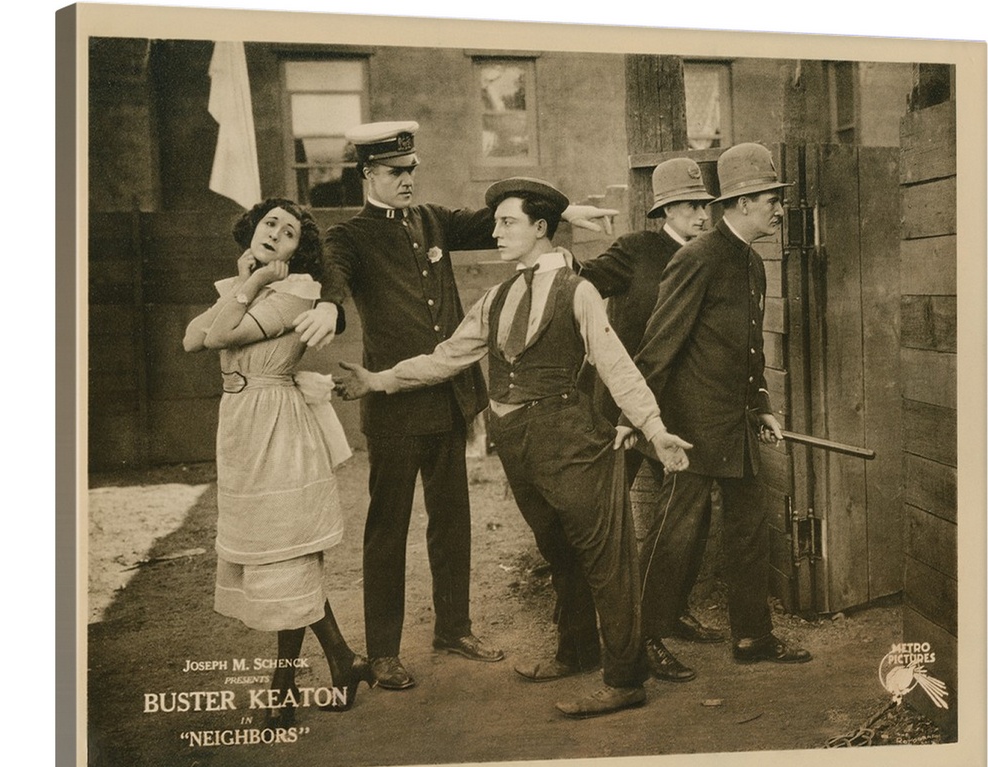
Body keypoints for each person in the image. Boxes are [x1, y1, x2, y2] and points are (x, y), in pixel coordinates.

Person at [333, 177, 694, 719]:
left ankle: (625, 678)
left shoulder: (578, 290)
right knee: (559, 551)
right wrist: (378, 381)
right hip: (520, 448)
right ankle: (576, 649)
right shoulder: (496, 297)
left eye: (508, 223)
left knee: (606, 559)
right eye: (496, 223)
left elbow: (616, 364)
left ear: (541, 228)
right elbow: (448, 356)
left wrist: (653, 426)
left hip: (572, 442)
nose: (495, 233)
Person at [293, 122, 624, 691]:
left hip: (449, 398)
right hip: (396, 408)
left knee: (452, 521)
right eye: (396, 173)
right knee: (388, 526)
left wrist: (568, 213)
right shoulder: (350, 235)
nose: (407, 181)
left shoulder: (431, 221)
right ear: (368, 174)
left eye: (411, 171)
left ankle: (454, 628)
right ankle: (384, 652)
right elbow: (335, 275)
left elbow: (493, 217)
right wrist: (329, 308)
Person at [182, 198, 374, 723]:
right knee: (277, 554)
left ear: (296, 252)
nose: (275, 233)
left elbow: (220, 335)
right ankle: (337, 660)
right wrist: (245, 279)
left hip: (278, 425)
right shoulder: (251, 289)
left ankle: (288, 681)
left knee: (286, 553)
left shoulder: (296, 294)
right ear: (253, 228)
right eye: (269, 223)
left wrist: (250, 282)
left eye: (289, 233)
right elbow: (190, 339)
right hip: (243, 426)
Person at [630, 143, 813, 666]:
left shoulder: (753, 263)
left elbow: (749, 350)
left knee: (749, 531)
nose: (778, 209)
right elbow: (659, 344)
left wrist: (763, 408)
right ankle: (639, 642)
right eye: (770, 199)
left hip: (737, 426)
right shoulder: (696, 258)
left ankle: (753, 638)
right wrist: (635, 419)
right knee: (675, 536)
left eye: (777, 199)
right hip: (692, 429)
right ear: (740, 203)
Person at [578, 157, 723, 684]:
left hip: (679, 413)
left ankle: (667, 617)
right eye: (690, 206)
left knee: (684, 522)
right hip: (622, 412)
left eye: (706, 205)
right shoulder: (636, 252)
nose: (702, 216)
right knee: (610, 522)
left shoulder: (714, 255)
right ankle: (626, 636)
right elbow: (577, 287)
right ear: (665, 208)